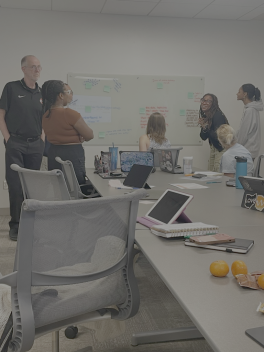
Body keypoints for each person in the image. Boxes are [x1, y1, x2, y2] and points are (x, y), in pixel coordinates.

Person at [0, 55, 45, 241]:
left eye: (39, 67)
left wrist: (42, 137)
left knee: (32, 186)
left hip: (36, 144)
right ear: (24, 69)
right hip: (15, 143)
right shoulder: (11, 88)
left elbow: (43, 118)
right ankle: (15, 225)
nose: (37, 70)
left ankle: (30, 224)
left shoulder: (41, 93)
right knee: (16, 185)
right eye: (33, 67)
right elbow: (1, 115)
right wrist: (8, 138)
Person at [42, 80, 94, 185]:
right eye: (69, 92)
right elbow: (89, 135)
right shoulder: (70, 114)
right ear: (61, 95)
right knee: (76, 187)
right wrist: (79, 135)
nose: (71, 95)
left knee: (58, 187)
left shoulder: (46, 115)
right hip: (72, 154)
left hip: (53, 153)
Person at [198, 94, 228, 172]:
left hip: (222, 148)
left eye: (208, 101)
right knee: (210, 173)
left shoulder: (217, 115)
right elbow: (203, 137)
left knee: (217, 174)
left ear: (213, 104)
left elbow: (218, 136)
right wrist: (204, 126)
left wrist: (206, 127)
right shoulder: (207, 116)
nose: (204, 103)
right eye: (203, 100)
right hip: (214, 147)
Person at [236, 84, 263, 160]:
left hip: (247, 150)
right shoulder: (251, 109)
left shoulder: (250, 110)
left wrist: (236, 147)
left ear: (245, 94)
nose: (237, 94)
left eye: (239, 92)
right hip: (247, 150)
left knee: (243, 172)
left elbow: (244, 133)